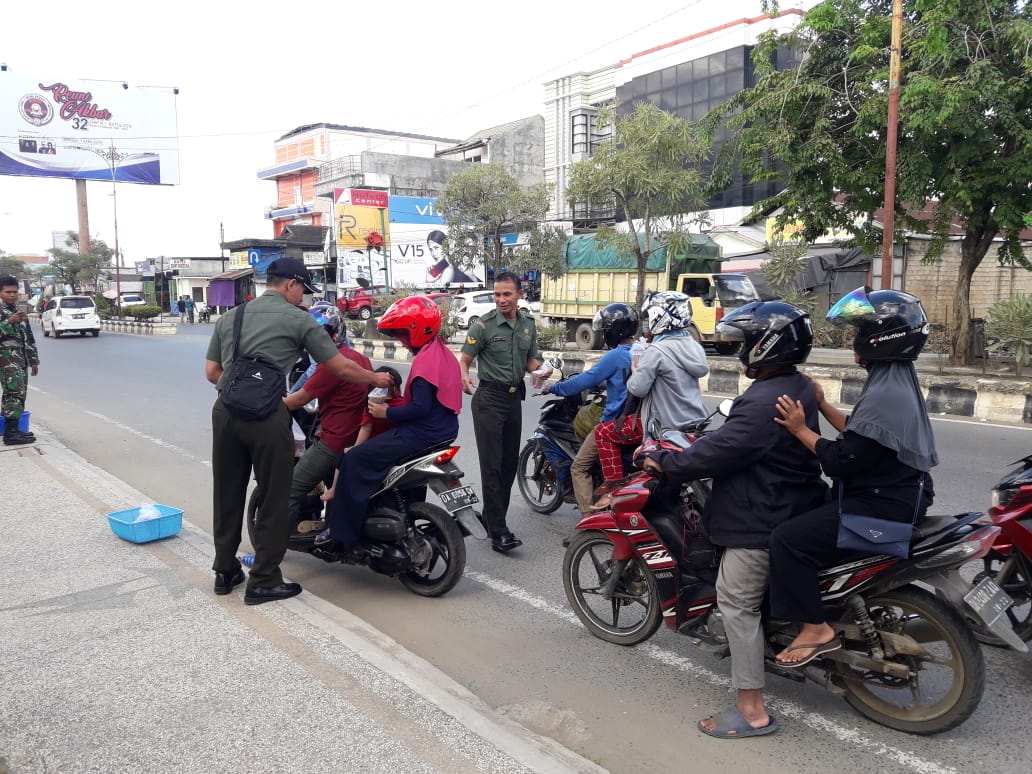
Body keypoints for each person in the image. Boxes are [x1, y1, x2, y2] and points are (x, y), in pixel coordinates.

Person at [639, 301, 827, 739]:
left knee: (736, 602)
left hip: (761, 515)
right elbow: (734, 441)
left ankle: (751, 709)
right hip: (798, 501)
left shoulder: (762, 400)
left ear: (765, 346)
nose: (739, 350)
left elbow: (719, 452)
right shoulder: (796, 385)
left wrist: (664, 460)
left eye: (745, 342)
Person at [205, 258, 392, 605]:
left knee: (227, 493)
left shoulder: (232, 316)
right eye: (302, 290)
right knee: (278, 495)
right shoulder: (298, 320)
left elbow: (212, 372)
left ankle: (224, 571)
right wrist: (375, 378)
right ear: (290, 284)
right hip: (267, 415)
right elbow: (339, 366)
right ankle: (262, 580)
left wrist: (240, 391)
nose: (303, 298)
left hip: (226, 412)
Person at [769, 287, 938, 667]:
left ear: (881, 338)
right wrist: (824, 404)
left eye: (859, 331)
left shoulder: (885, 395)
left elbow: (843, 459)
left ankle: (815, 627)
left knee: (787, 540)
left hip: (879, 505)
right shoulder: (894, 380)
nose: (852, 341)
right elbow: (863, 435)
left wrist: (799, 429)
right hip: (898, 493)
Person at [316, 296, 463, 547]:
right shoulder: (441, 352)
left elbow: (420, 407)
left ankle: (340, 533)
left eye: (403, 334)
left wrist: (387, 413)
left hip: (422, 433)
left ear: (417, 330)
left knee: (354, 459)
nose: (401, 341)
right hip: (444, 431)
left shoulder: (426, 361)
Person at [459, 272, 552, 553]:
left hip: (513, 401)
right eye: (497, 294)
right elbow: (464, 360)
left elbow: (530, 360)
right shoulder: (483, 326)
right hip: (488, 400)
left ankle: (491, 518)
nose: (501, 299)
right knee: (492, 466)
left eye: (507, 294)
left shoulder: (527, 325)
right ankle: (499, 531)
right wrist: (464, 375)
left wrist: (542, 370)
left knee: (510, 465)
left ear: (519, 295)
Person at [594, 292, 710, 508]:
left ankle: (613, 490)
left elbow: (637, 388)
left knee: (603, 432)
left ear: (659, 316)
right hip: (695, 421)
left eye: (648, 318)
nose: (646, 323)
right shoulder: (695, 347)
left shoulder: (657, 350)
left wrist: (636, 369)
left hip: (665, 425)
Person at [281, 307, 374, 530]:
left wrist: (268, 406)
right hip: (359, 437)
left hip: (335, 441)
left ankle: (270, 552)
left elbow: (300, 399)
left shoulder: (330, 366)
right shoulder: (361, 360)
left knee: (291, 488)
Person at [545, 302, 637, 515]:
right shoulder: (641, 351)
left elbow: (583, 381)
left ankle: (587, 522)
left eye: (606, 331)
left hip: (615, 424)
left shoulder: (616, 356)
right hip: (637, 423)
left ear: (614, 331)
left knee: (579, 467)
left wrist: (555, 387)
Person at [0, 276, 39, 446]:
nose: (12, 295)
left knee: (19, 393)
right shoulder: (4, 313)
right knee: (13, 393)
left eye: (15, 292)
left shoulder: (18, 310)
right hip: (6, 361)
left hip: (20, 360)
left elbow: (28, 338)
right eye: (8, 292)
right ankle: (11, 434)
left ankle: (13, 429)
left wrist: (33, 360)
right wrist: (9, 322)